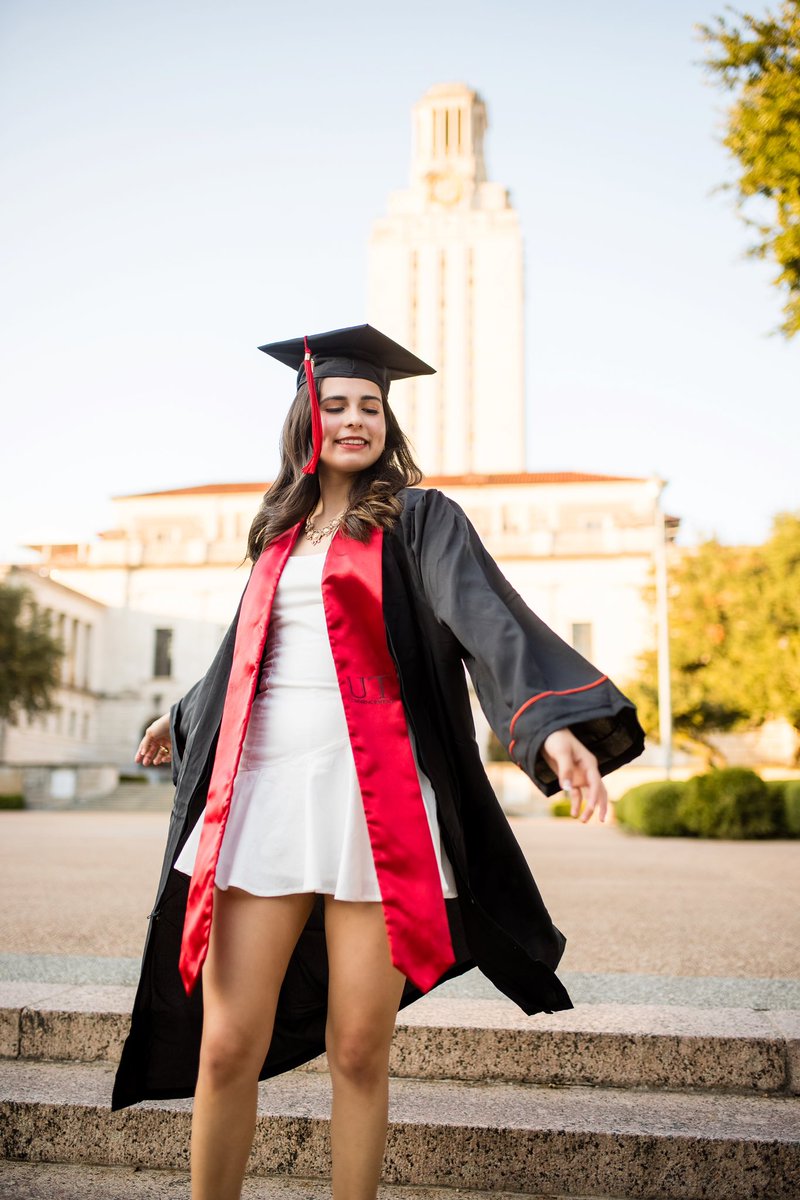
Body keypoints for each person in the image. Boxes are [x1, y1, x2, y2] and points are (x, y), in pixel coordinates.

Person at [112, 324, 645, 1200]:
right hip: (263, 796)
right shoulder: (277, 535)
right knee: (226, 1042)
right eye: (336, 404)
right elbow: (247, 651)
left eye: (371, 405)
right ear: (306, 419)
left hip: (378, 802)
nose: (356, 419)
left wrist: (549, 723)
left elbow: (485, 618)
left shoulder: (420, 519)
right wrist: (179, 715)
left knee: (359, 1047)